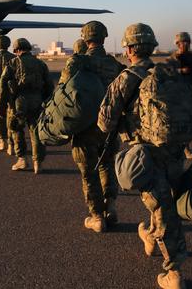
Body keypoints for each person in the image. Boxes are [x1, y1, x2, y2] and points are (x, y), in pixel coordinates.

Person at [98, 23, 189, 289]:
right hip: (175, 147)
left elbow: (104, 122)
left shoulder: (128, 77)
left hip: (147, 153)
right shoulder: (168, 73)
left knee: (163, 209)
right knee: (164, 199)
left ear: (129, 49)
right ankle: (150, 237)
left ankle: (174, 273)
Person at [60, 20, 125, 232]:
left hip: (84, 126)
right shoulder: (114, 64)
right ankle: (111, 206)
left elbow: (62, 91)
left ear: (85, 39)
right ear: (104, 37)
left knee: (88, 172)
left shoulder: (76, 62)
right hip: (109, 126)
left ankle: (96, 216)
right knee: (107, 165)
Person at [0, 38, 53, 174]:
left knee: (16, 129)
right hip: (37, 101)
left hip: (19, 102)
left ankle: (22, 159)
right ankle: (38, 162)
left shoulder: (12, 63)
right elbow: (49, 86)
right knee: (36, 131)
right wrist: (47, 102)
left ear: (16, 50)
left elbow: (3, 86)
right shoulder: (40, 64)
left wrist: (1, 105)